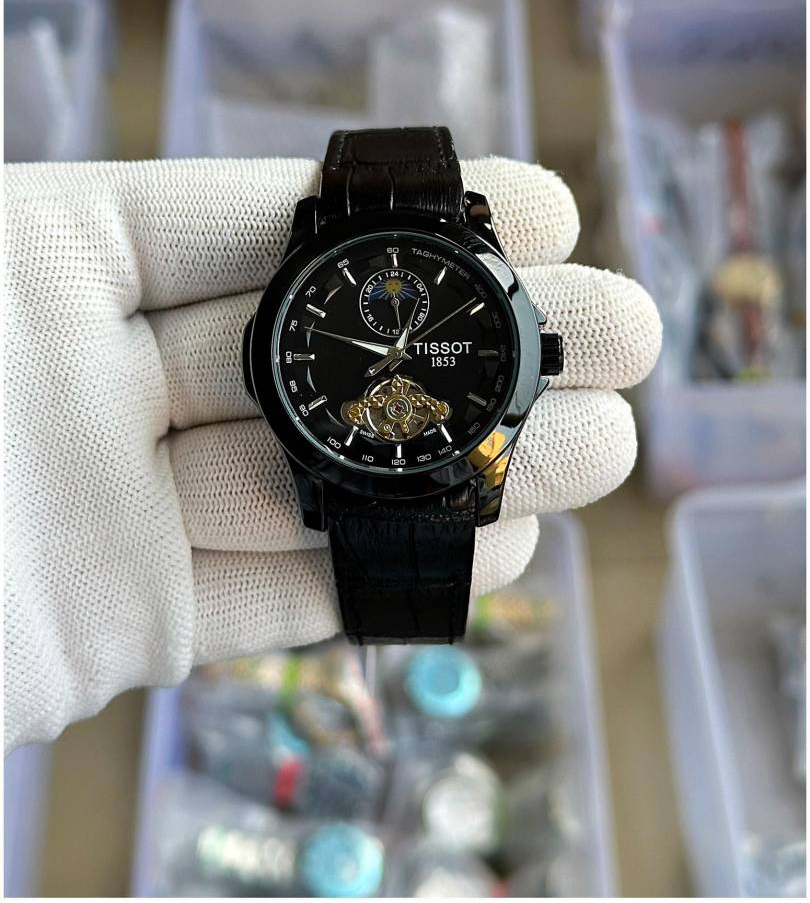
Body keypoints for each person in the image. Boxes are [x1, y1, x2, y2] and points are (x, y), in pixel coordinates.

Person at [5, 155, 661, 751]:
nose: (398, 356)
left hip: (392, 456)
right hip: (353, 464)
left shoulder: (488, 348)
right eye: (389, 351)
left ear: (539, 356)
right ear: (258, 362)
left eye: (405, 350)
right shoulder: (297, 344)